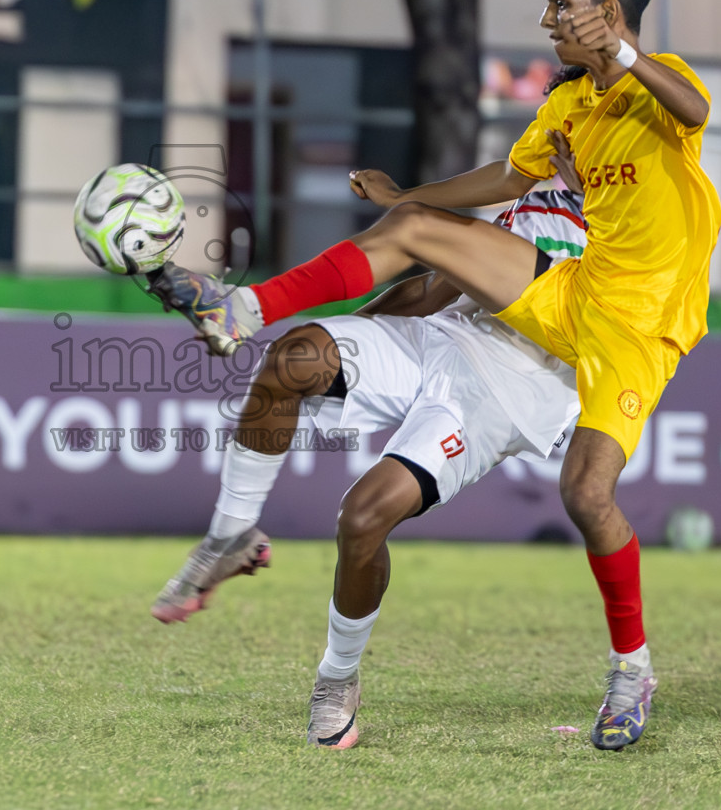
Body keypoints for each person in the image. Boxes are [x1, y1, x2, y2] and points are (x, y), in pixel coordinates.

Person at [149, 0, 721, 751]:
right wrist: (405, 201)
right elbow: (500, 183)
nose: (547, 18)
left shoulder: (659, 83)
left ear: (610, 13)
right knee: (336, 315)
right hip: (552, 302)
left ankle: (632, 668)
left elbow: (697, 113)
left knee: (587, 495)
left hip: (625, 332)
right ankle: (242, 317)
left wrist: (622, 54)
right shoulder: (568, 118)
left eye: (561, 3)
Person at [151, 189, 587, 750]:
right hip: (443, 335)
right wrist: (345, 345)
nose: (567, 111)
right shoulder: (537, 189)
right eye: (560, 95)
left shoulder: (633, 219)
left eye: (586, 98)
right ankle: (228, 537)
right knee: (293, 357)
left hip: (506, 389)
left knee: (362, 518)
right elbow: (434, 286)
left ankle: (337, 678)